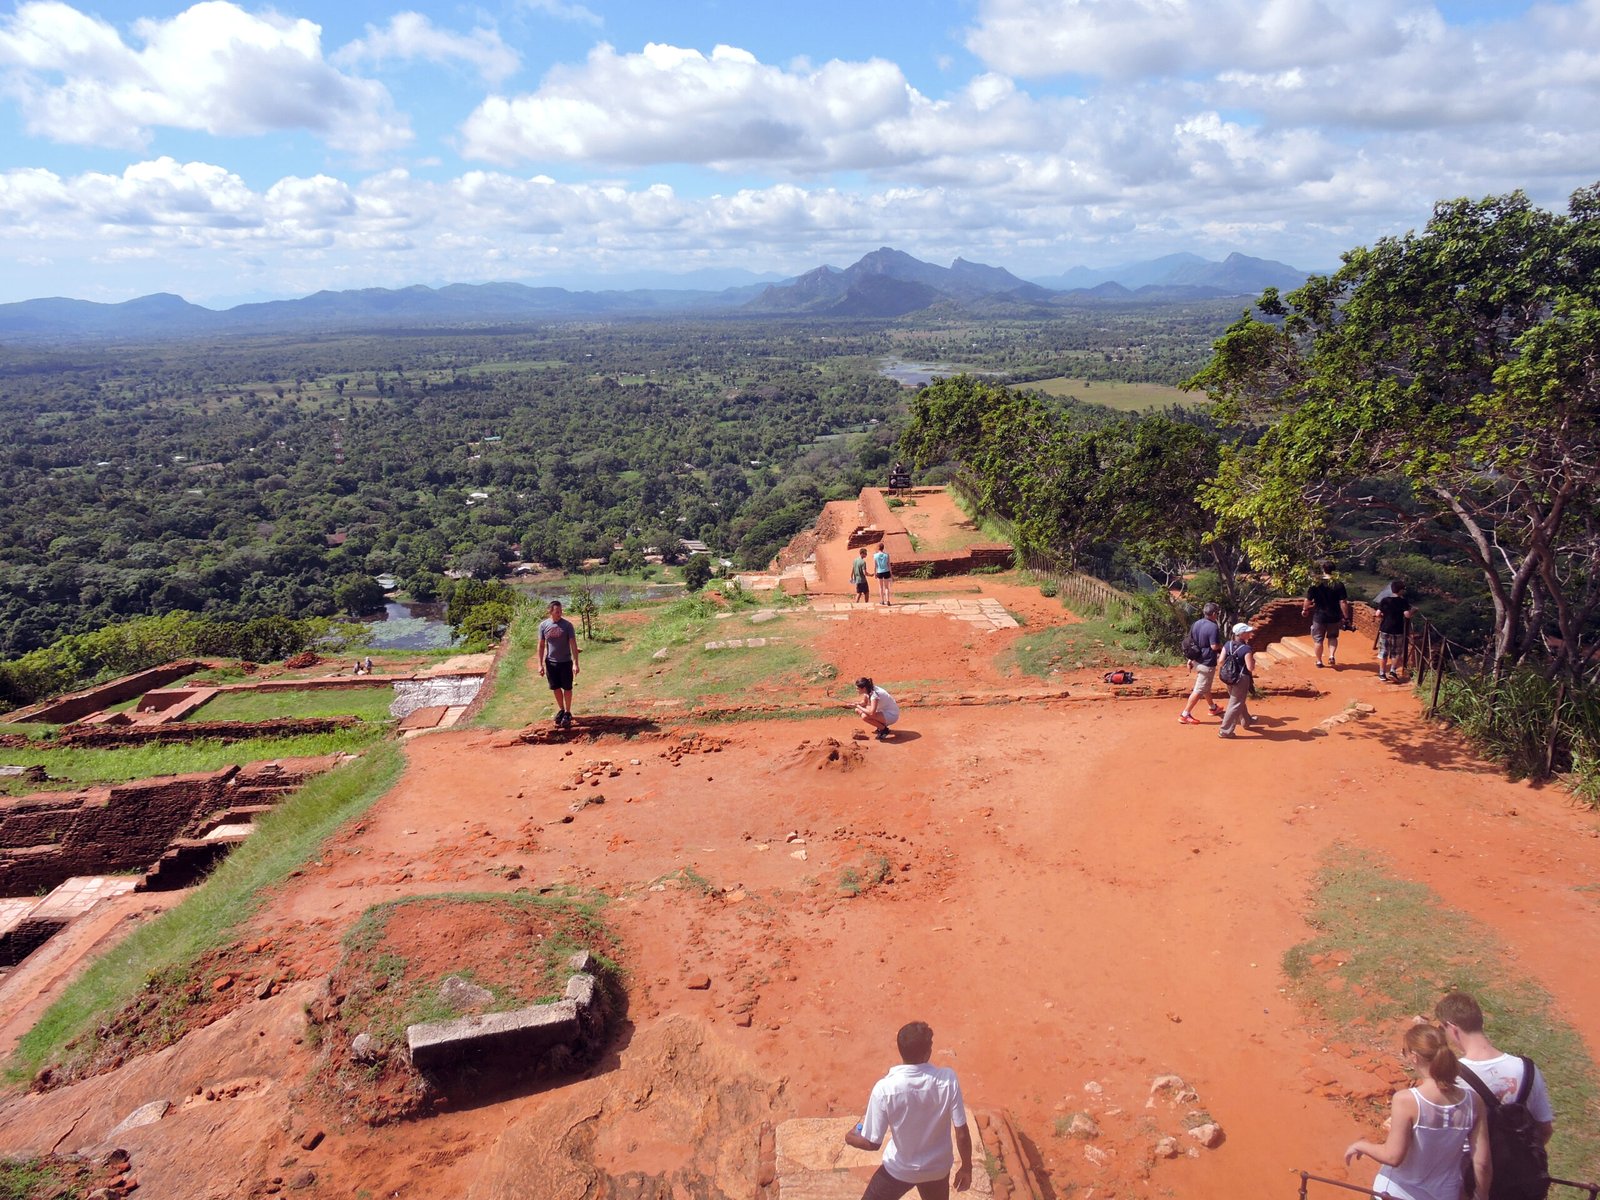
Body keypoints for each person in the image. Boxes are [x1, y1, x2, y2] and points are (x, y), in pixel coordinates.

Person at [1344, 1022, 1491, 1200]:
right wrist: (1479, 1196)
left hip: (1397, 1193)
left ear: (1414, 1057)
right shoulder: (1474, 1101)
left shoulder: (1406, 1100)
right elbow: (1482, 1163)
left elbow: (1392, 1157)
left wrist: (1361, 1145)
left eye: (1404, 1051)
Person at [845, 1021, 972, 1200]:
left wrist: (850, 1138)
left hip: (899, 1170)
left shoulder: (885, 1089)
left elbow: (873, 1143)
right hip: (937, 1169)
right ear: (928, 1052)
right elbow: (962, 1133)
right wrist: (967, 1167)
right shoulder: (948, 1080)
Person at [1435, 992, 1556, 1150]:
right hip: (1521, 1172)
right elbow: (1545, 1129)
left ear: (1452, 1028)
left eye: (1442, 1028)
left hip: (1471, 1171)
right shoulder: (1528, 1069)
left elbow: (1442, 1135)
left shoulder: (1452, 1076)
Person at [1179, 601, 1226, 724]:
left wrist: (1190, 659)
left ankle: (1213, 708)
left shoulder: (1196, 623)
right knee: (1199, 689)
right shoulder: (1213, 626)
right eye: (1217, 613)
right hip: (1207, 662)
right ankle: (1185, 714)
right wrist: (1224, 647)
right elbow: (1214, 646)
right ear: (1214, 613)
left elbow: (1192, 642)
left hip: (1197, 660)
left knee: (1205, 686)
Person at [537, 599, 580, 727]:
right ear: (550, 611)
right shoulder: (543, 626)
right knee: (555, 688)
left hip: (565, 662)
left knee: (567, 687)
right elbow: (541, 646)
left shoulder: (567, 626)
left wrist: (575, 663)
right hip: (551, 663)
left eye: (561, 611)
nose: (559, 613)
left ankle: (568, 712)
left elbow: (573, 645)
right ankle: (561, 709)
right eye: (557, 611)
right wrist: (539, 664)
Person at [1304, 562, 1352, 669]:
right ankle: (1331, 656)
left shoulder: (1316, 583)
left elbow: (1308, 599)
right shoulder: (1338, 584)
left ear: (1323, 569)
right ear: (1334, 570)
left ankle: (1319, 661)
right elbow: (1343, 602)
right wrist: (1346, 617)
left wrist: (1305, 609)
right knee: (1333, 637)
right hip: (1334, 616)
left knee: (1318, 640)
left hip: (1319, 616)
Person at [1217, 623, 1257, 739]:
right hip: (1241, 679)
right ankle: (1225, 731)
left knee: (1237, 701)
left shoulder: (1227, 644)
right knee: (1235, 704)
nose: (1250, 634)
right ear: (1242, 634)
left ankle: (1246, 721)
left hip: (1229, 677)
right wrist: (1253, 662)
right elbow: (1250, 668)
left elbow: (1220, 661)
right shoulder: (1246, 649)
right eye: (1248, 632)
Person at [1375, 580, 1414, 682]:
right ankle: (1392, 671)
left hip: (1385, 629)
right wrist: (1414, 610)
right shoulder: (1403, 601)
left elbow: (1377, 614)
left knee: (1383, 652)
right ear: (1400, 590)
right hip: (1397, 629)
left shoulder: (1385, 600)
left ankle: (1382, 673)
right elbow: (1407, 615)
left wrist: (1385, 615)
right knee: (1396, 652)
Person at [854, 676, 899, 742]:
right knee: (857, 710)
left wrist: (858, 706)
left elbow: (872, 713)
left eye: (857, 688)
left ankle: (884, 730)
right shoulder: (868, 689)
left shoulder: (874, 694)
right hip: (883, 711)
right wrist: (854, 704)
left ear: (863, 688)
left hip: (892, 715)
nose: (856, 690)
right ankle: (881, 725)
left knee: (865, 716)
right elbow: (864, 702)